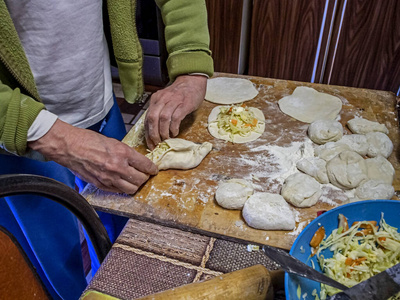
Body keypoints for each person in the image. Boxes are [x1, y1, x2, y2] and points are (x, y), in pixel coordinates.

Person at [0, 0, 213, 299]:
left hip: (99, 104)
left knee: (131, 237)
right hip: (14, 140)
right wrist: (56, 138)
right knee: (57, 264)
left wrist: (191, 64)